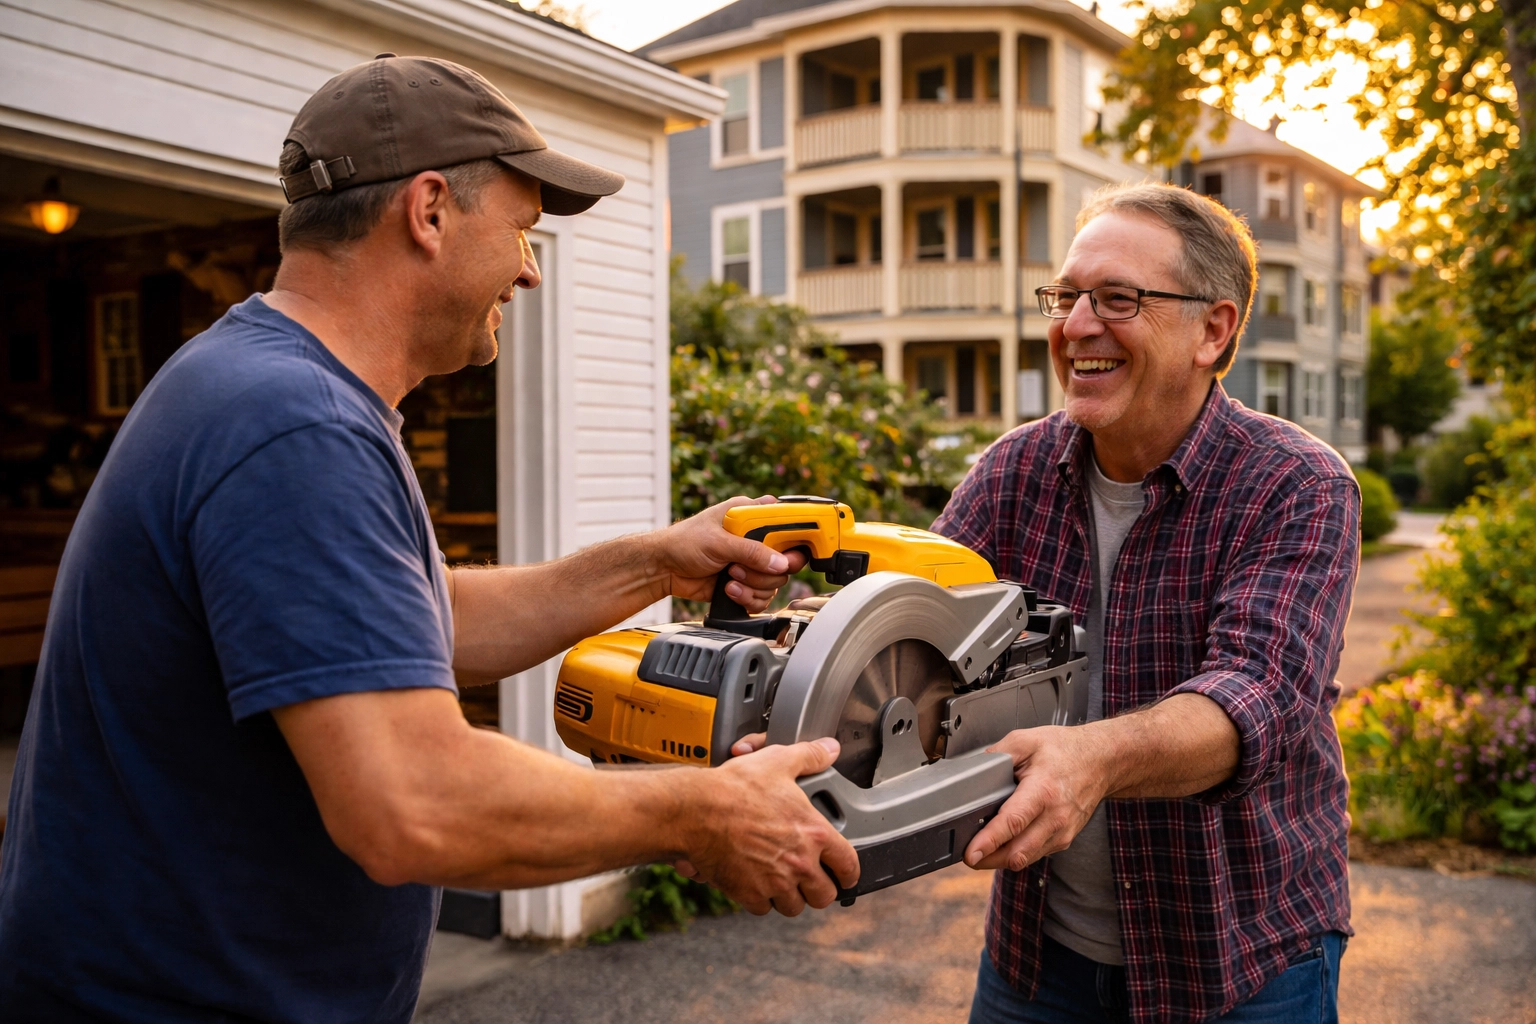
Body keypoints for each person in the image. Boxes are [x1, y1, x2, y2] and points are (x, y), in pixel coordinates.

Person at [0, 55, 857, 1023]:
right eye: (525, 231)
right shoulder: (296, 427)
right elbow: (413, 800)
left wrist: (661, 560)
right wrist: (706, 813)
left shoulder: (268, 388)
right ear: (431, 209)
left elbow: (415, 622)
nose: (531, 269)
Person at [936, 183, 1358, 1023]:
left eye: (1119, 298)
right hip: (1037, 957)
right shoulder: (1010, 473)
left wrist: (1092, 760)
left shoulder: (1297, 485)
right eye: (1067, 296)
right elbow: (916, 628)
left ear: (1214, 329)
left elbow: (1256, 698)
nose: (1078, 325)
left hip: (1241, 962)